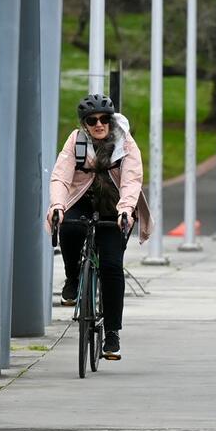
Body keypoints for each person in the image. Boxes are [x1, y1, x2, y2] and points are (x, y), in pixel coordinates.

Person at [46, 94, 152, 361]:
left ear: (111, 120)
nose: (99, 125)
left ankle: (112, 334)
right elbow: (61, 175)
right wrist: (58, 205)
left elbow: (132, 180)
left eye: (104, 119)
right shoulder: (76, 141)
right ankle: (72, 278)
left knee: (111, 266)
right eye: (92, 121)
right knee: (68, 228)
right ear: (84, 123)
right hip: (81, 198)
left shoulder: (125, 142)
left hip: (116, 205)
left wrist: (126, 210)